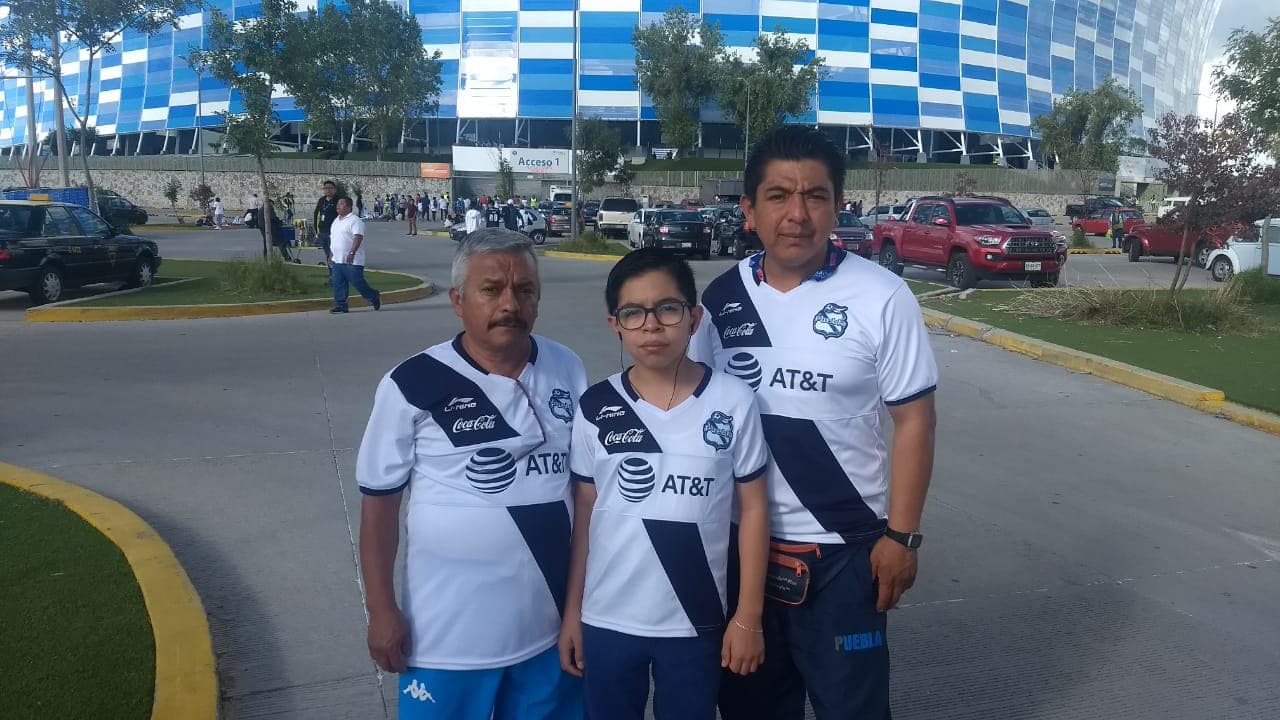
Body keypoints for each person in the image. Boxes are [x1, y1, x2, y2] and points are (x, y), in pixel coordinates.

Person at [689, 125, 939, 720]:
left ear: (837, 205)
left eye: (815, 196)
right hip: (740, 548)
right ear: (749, 209)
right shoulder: (720, 298)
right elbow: (696, 418)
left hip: (846, 555)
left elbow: (915, 422)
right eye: (778, 196)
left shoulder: (883, 296)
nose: (797, 215)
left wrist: (902, 538)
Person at [356, 228, 587, 720]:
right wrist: (381, 610)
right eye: (492, 289)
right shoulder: (411, 382)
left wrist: (579, 609)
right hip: (446, 639)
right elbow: (379, 507)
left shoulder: (566, 366)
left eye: (525, 290)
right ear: (458, 301)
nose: (510, 304)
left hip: (548, 629)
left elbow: (582, 493)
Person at [559, 248, 770, 720]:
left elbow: (755, 510)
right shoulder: (595, 406)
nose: (651, 326)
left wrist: (748, 616)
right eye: (633, 313)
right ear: (615, 324)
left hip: (695, 618)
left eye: (667, 309)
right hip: (608, 617)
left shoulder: (733, 401)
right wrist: (573, 613)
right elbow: (585, 516)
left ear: (694, 318)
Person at [328, 197, 381, 314]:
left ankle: (373, 296)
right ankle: (341, 305)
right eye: (338, 204)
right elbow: (334, 239)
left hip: (352, 259)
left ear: (348, 207)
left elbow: (358, 237)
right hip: (337, 259)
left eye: (341, 204)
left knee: (357, 282)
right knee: (338, 283)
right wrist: (331, 253)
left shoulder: (355, 220)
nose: (338, 206)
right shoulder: (336, 220)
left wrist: (352, 252)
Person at [313, 180, 341, 267]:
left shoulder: (338, 200)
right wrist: (317, 231)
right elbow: (316, 214)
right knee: (328, 255)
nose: (328, 190)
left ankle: (335, 273)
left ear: (334, 189)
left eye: (330, 188)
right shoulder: (321, 200)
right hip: (322, 232)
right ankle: (331, 272)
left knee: (334, 255)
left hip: (333, 233)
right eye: (326, 188)